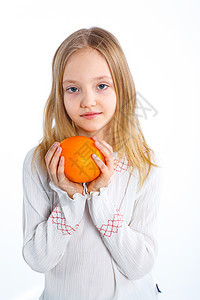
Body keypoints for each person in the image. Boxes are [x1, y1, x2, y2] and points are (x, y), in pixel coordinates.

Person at [22, 26, 163, 300]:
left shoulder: (142, 163)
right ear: (59, 95)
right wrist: (71, 197)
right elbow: (37, 260)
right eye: (73, 88)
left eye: (101, 85)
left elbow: (139, 265)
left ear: (121, 87)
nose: (88, 101)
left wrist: (98, 198)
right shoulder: (40, 162)